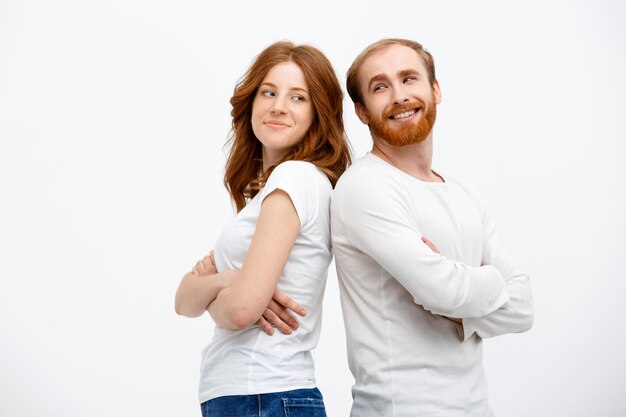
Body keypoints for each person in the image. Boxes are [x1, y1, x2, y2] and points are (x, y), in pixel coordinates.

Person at [331, 38, 534, 417]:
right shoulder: (365, 187)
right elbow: (443, 291)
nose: (399, 96)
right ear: (361, 111)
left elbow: (524, 309)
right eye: (380, 87)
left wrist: (457, 297)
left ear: (435, 90)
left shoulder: (464, 193)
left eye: (409, 79)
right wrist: (489, 282)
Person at [175, 41, 351, 417]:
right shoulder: (267, 190)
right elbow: (182, 300)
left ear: (318, 113)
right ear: (251, 102)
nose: (278, 106)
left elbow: (240, 311)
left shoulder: (295, 177)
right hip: (253, 396)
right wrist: (230, 281)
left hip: (264, 394)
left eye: (298, 98)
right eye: (268, 92)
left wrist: (228, 286)